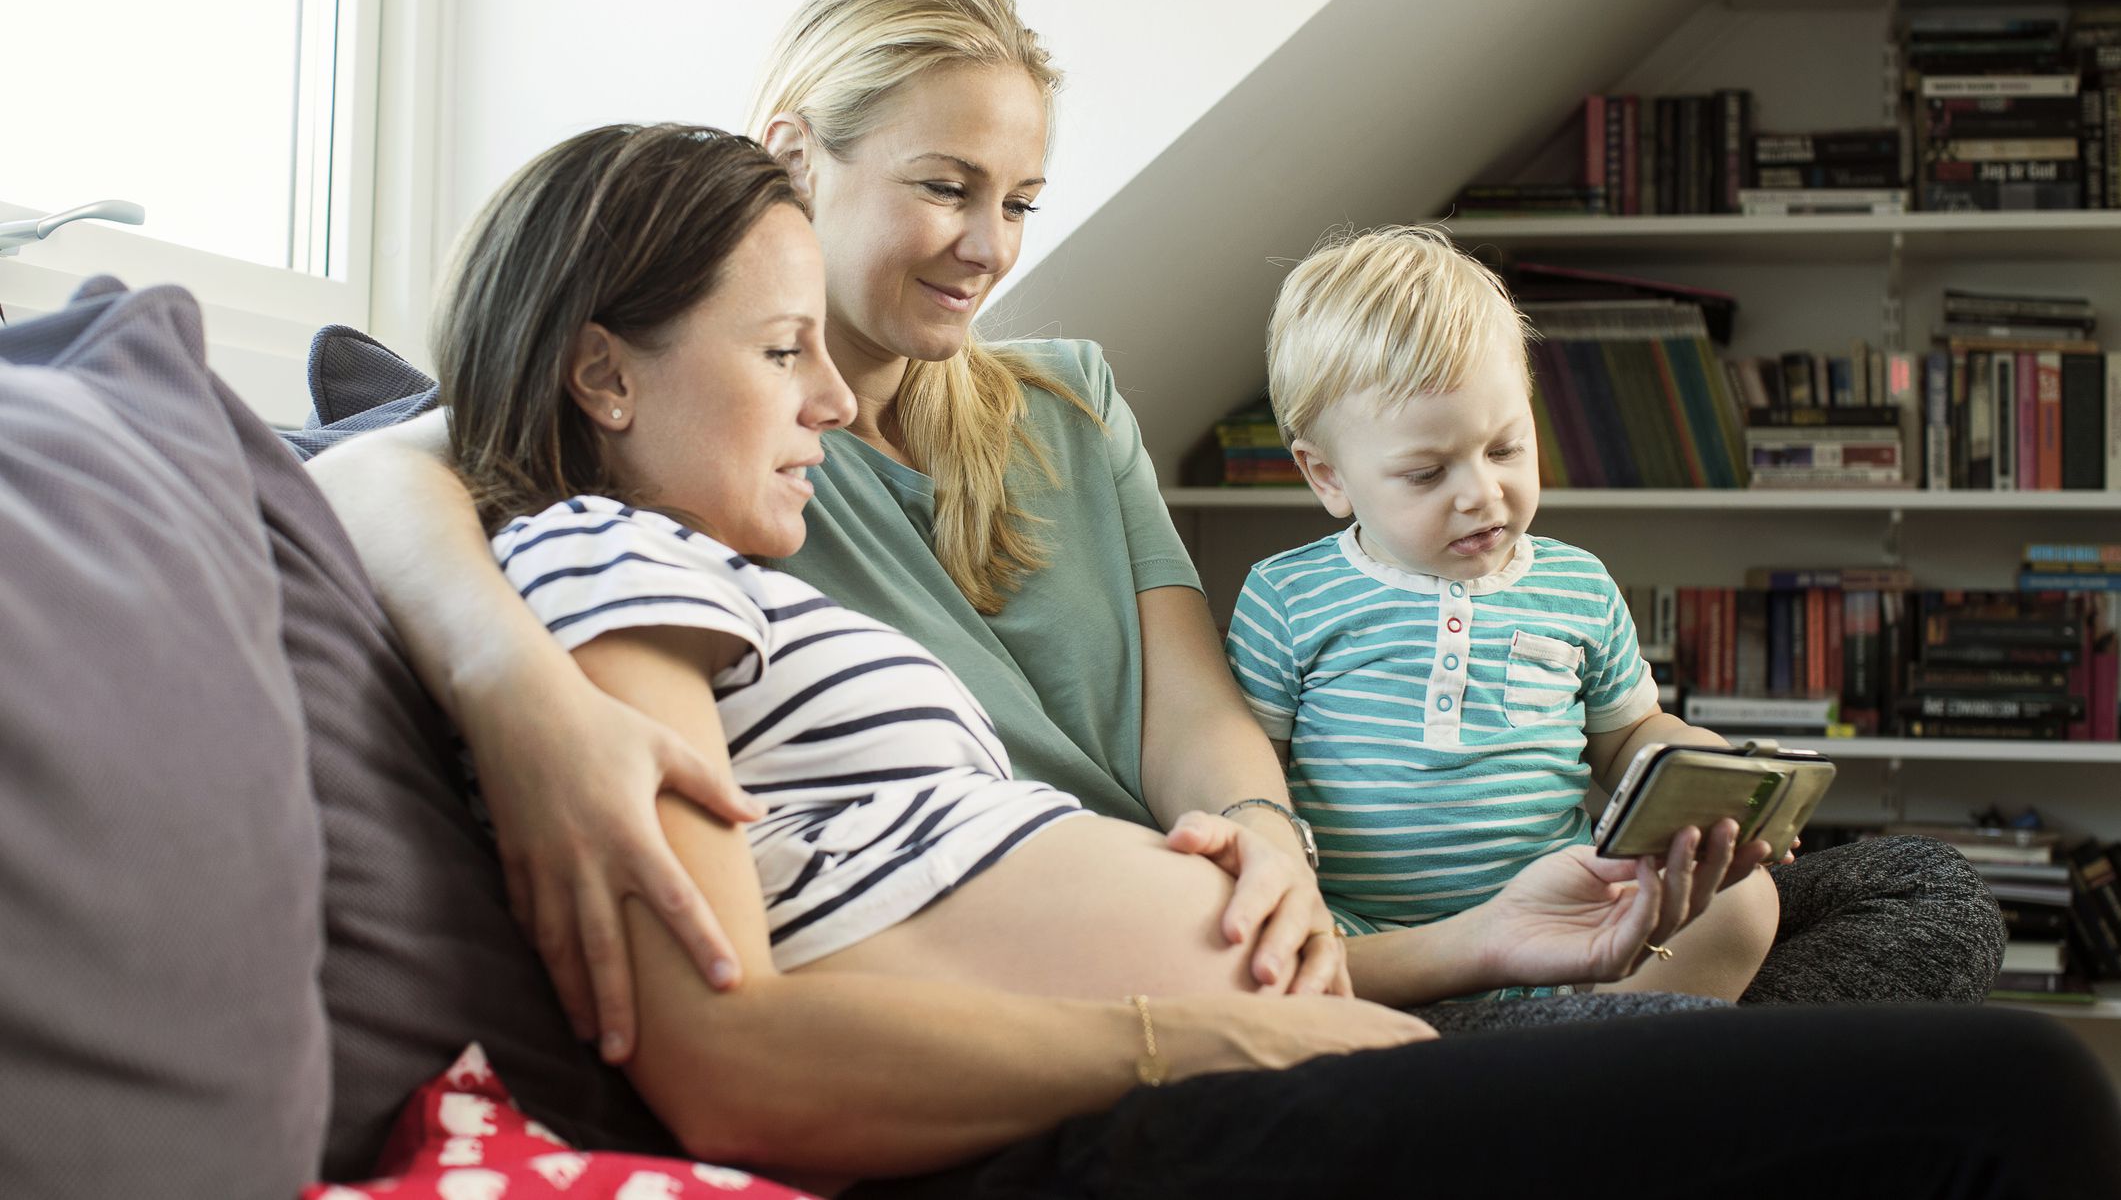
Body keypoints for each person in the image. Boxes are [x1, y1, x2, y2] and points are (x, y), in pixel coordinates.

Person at [385, 116, 2120, 1198]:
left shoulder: (716, 550)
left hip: (1301, 1037)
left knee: (1918, 917)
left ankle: (1593, 1020)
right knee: (2014, 1093)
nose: (832, 399)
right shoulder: (594, 561)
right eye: (781, 351)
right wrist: (1194, 1040)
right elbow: (730, 1062)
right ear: (605, 375)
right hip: (1165, 1113)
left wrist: (1397, 950)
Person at [309, 0, 2001, 1063]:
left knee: (1916, 891)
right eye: (946, 188)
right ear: (793, 153)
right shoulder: (707, 436)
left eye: (1022, 198)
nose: (988, 242)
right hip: (1099, 980)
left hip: (1258, 910)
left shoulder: (1066, 399)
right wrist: (514, 690)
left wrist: (1264, 830)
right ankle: (1563, 1053)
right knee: (1938, 1067)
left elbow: (1201, 716)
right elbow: (370, 456)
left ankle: (1563, 1032)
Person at [1227, 225, 1778, 1002]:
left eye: (1506, 448)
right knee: (1226, 939)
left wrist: (1697, 768)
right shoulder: (1288, 597)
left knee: (1743, 903)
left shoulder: (1577, 584)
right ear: (1328, 477)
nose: (1480, 492)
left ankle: (1593, 1048)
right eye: (1425, 472)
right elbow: (1250, 774)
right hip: (1361, 939)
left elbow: (1626, 734)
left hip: (1566, 926)